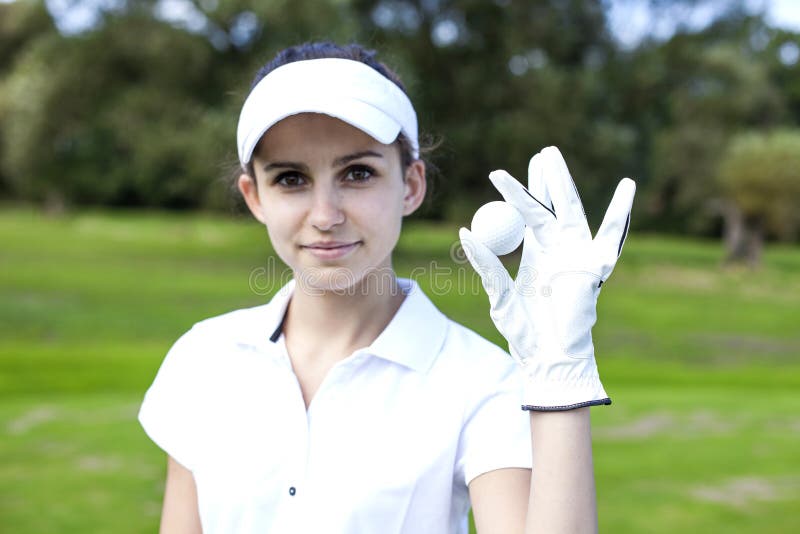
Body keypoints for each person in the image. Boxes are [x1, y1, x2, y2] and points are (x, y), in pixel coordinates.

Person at [138, 41, 635, 534]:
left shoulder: (482, 382)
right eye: (291, 179)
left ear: (411, 185)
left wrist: (559, 381)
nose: (326, 216)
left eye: (358, 173)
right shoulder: (202, 358)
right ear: (255, 196)